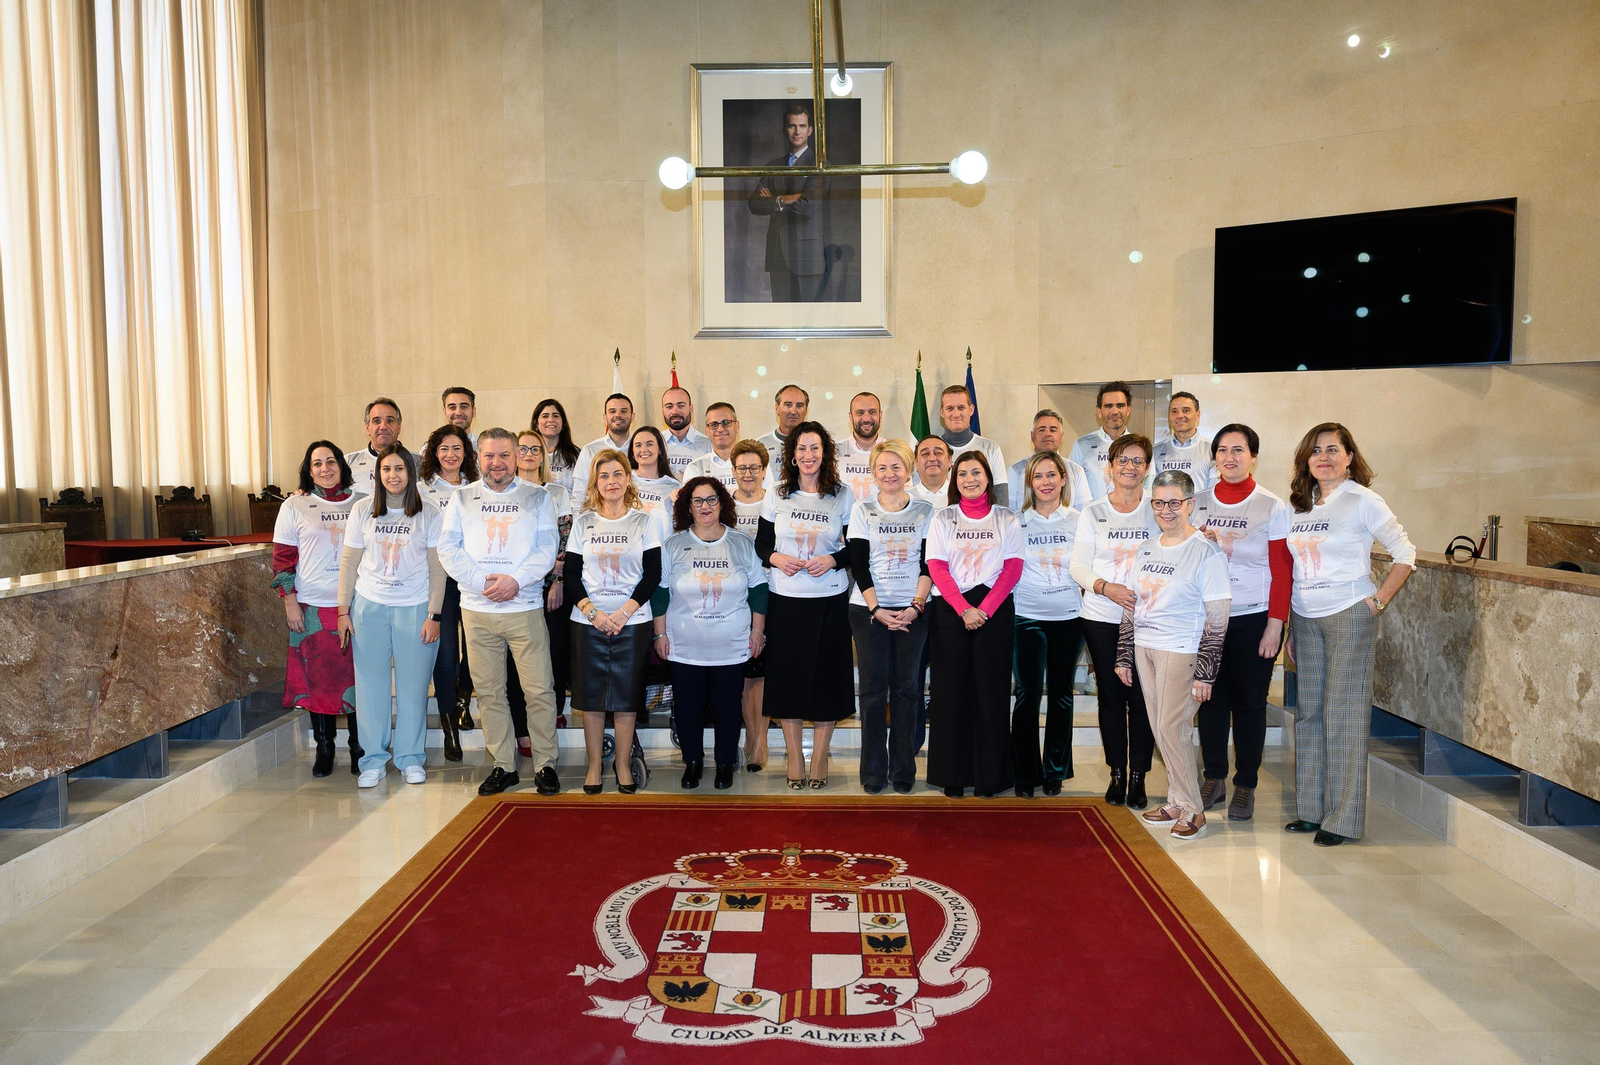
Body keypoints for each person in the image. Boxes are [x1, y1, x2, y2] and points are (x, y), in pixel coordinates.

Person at [1284, 423, 1415, 847]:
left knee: (1343, 716)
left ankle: (1341, 819)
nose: (1324, 457)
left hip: (1348, 615)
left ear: (1349, 457)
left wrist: (1377, 602)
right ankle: (1311, 810)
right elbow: (1298, 568)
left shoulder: (1363, 500)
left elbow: (1405, 553)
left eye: (1333, 450)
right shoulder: (1300, 505)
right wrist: (1290, 621)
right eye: (1316, 450)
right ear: (1307, 459)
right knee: (1309, 715)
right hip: (1305, 617)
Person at [437, 428, 562, 796]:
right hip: (477, 609)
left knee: (538, 689)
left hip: (523, 606)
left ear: (517, 456)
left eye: (504, 455)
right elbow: (449, 548)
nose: (497, 463)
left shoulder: (538, 497)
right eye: (489, 456)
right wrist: (481, 582)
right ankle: (503, 764)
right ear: (479, 459)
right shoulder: (461, 498)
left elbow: (545, 547)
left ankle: (545, 764)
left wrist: (515, 582)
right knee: (490, 693)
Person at [1114, 470, 1232, 841]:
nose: (1166, 510)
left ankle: (1195, 810)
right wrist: (1123, 653)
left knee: (1172, 727)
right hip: (1145, 647)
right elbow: (1131, 603)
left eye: (1174, 503)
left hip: (1180, 650)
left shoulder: (1205, 551)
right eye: (1159, 502)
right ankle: (1177, 799)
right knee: (1160, 727)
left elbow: (1218, 618)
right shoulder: (1146, 548)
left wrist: (1206, 673)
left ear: (1190, 505)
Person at [1191, 423, 1292, 822]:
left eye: (1239, 450)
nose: (1229, 457)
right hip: (1208, 619)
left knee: (1250, 705)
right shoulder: (1195, 502)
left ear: (1253, 456)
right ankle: (1214, 778)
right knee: (1210, 700)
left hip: (1253, 618)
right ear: (1213, 457)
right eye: (1222, 450)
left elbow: (1282, 570)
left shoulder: (1271, 505)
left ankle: (1246, 783)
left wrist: (1276, 623)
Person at [336, 445, 445, 788]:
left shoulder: (428, 513)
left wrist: (435, 614)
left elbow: (437, 569)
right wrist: (343, 610)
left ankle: (410, 757)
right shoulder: (362, 510)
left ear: (411, 474)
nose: (393, 476)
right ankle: (373, 760)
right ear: (378, 474)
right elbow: (349, 562)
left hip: (415, 608)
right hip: (369, 608)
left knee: (414, 689)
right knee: (370, 687)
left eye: (399, 469)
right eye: (386, 470)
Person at [756, 421, 855, 789]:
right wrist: (777, 559)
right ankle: (796, 757)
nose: (808, 455)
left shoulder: (842, 495)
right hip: (786, 600)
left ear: (825, 454)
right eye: (801, 448)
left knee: (828, 681)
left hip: (829, 600)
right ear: (792, 455)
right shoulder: (776, 494)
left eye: (815, 448)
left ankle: (819, 758)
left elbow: (855, 548)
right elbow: (762, 545)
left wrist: (833, 560)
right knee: (788, 682)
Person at [653, 477, 767, 790]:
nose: (705, 507)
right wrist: (659, 635)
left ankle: (725, 762)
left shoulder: (741, 543)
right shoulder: (674, 545)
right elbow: (660, 592)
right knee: (688, 706)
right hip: (684, 644)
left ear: (723, 503)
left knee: (728, 706)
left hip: (731, 643)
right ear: (687, 506)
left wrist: (758, 631)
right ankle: (692, 762)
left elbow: (759, 589)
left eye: (712, 499)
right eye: (698, 501)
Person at [925, 451, 1023, 797]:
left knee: (991, 694)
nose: (970, 479)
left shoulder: (1007, 518)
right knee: (950, 695)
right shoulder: (942, 518)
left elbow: (1012, 569)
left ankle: (989, 778)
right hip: (951, 611)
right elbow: (936, 566)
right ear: (955, 479)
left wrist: (984, 609)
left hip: (993, 612)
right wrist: (964, 608)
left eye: (976, 472)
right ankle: (953, 776)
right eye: (963, 473)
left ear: (987, 477)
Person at [1069, 432, 1159, 809]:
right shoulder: (1092, 512)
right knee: (1111, 697)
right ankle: (1116, 773)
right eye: (1123, 460)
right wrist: (1106, 588)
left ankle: (1139, 775)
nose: (1130, 467)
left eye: (1138, 461)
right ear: (1110, 466)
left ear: (1148, 468)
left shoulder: (1158, 509)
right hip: (1102, 616)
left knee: (1142, 699)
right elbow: (1078, 567)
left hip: (1148, 619)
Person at [566, 450, 662, 794]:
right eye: (604, 475)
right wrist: (594, 613)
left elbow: (653, 574)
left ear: (627, 479)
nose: (611, 481)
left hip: (632, 622)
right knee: (591, 699)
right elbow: (573, 576)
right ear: (596, 482)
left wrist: (623, 613)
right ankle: (594, 766)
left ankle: (622, 765)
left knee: (626, 697)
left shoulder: (644, 521)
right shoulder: (583, 523)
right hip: (587, 621)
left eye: (617, 474)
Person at [848, 440, 934, 794]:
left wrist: (915, 606)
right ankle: (872, 772)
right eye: (882, 467)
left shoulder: (926, 510)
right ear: (873, 472)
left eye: (896, 467)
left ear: (909, 470)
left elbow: (930, 564)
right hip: (868, 611)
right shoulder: (862, 509)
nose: (889, 474)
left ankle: (903, 770)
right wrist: (877, 609)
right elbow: (859, 564)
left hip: (913, 610)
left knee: (907, 690)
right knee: (871, 692)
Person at [272, 441, 359, 777]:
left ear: (342, 465)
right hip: (311, 607)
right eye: (317, 463)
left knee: (356, 680)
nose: (325, 468)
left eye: (331, 461)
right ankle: (325, 747)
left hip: (355, 606)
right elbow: (282, 559)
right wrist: (289, 602)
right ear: (308, 470)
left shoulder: (363, 502)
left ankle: (358, 747)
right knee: (318, 679)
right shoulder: (295, 505)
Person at [1012, 451, 1084, 797]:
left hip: (1069, 617)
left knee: (1060, 695)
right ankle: (1025, 772)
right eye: (1038, 476)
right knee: (1026, 695)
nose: (1045, 482)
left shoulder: (1079, 520)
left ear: (1063, 479)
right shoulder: (1017, 521)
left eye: (1051, 475)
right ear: (1030, 482)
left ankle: (1055, 770)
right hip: (1026, 616)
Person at [508, 431, 575, 751]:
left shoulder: (557, 492)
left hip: (553, 585)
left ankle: (555, 711)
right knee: (518, 657)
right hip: (516, 589)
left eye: (536, 449)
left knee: (556, 651)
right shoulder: (506, 492)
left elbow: (565, 538)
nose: (529, 454)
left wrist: (559, 581)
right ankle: (522, 724)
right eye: (523, 449)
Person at [418, 424, 481, 761]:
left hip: (471, 580)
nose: (451, 455)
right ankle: (450, 731)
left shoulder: (477, 489)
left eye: (457, 448)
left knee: (475, 647)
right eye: (444, 449)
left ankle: (462, 698)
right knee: (444, 656)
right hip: (437, 583)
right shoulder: (421, 489)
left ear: (466, 453)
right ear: (434, 453)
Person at [746, 105, 828, 303]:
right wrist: (783, 199)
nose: (797, 131)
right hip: (778, 256)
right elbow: (754, 204)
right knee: (781, 320)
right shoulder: (773, 166)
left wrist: (773, 202)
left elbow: (807, 208)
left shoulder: (820, 165)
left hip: (807, 257)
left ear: (810, 130)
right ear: (784, 130)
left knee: (808, 322)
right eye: (792, 126)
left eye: (802, 126)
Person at [729, 438, 772, 769]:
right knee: (743, 674)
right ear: (733, 471)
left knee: (764, 672)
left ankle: (760, 741)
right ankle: (750, 735)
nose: (747, 473)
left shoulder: (775, 504)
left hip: (772, 595)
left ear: (764, 470)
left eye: (753, 467)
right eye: (741, 467)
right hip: (732, 599)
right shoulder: (721, 507)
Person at [1007, 409, 1091, 511]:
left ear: (1061, 436)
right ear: (1032, 436)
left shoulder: (1076, 471)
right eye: (1042, 430)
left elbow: (1083, 513)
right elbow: (1009, 514)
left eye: (1053, 430)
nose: (1047, 434)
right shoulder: (1016, 471)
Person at [938, 386, 1007, 506]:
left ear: (971, 409)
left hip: (983, 522)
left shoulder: (991, 448)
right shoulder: (929, 451)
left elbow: (1001, 499)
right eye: (949, 408)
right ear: (942, 412)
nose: (956, 414)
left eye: (961, 408)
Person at [1068, 381, 1134, 503]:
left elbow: (1148, 488)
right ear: (1099, 412)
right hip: (1093, 519)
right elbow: (1071, 488)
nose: (1115, 411)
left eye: (1120, 405)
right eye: (1108, 406)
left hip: (1130, 518)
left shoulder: (1139, 447)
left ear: (1128, 410)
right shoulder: (1081, 445)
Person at [346, 398, 420, 497]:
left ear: (399, 427)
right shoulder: (348, 463)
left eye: (390, 420)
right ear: (367, 428)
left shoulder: (419, 462)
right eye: (377, 421)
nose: (383, 426)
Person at [572, 393, 635, 501]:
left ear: (632, 416)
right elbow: (579, 494)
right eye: (612, 411)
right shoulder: (590, 450)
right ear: (605, 417)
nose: (618, 415)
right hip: (598, 516)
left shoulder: (640, 450)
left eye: (623, 411)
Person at [1151, 392, 1214, 493]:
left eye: (1186, 410)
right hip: (1166, 508)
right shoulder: (1155, 451)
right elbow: (1151, 489)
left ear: (1197, 415)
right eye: (1174, 411)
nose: (1180, 415)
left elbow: (1214, 491)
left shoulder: (1212, 449)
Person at [628, 425, 680, 527]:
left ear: (660, 449)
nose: (643, 449)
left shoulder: (674, 486)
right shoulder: (624, 481)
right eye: (638, 445)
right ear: (633, 453)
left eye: (649, 444)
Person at [684, 402, 743, 491]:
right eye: (714, 425)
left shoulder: (756, 465)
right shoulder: (696, 468)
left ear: (737, 426)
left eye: (726, 422)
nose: (720, 429)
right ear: (707, 431)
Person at [838, 392, 885, 501]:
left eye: (872, 412)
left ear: (880, 415)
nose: (866, 419)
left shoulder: (894, 452)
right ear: (850, 417)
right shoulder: (833, 451)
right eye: (860, 413)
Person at [757, 384, 809, 482]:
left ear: (806, 410)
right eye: (788, 405)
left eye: (799, 405)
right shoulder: (761, 445)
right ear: (777, 408)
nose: (793, 411)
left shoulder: (817, 444)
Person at [660, 387, 712, 478]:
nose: (675, 411)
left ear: (691, 409)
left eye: (681, 406)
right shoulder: (655, 443)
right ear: (663, 411)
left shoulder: (708, 444)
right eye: (669, 406)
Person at [533, 398, 580, 493]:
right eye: (545, 416)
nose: (551, 420)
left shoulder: (577, 455)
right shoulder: (528, 455)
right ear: (536, 424)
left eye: (555, 416)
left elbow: (581, 492)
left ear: (563, 423)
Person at [909, 435, 953, 509]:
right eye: (925, 454)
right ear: (916, 463)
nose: (932, 458)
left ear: (950, 461)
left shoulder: (962, 495)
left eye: (938, 453)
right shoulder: (905, 499)